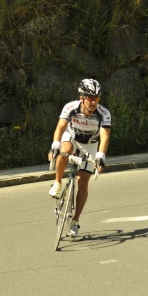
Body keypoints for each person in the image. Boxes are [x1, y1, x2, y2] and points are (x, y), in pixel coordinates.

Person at [47, 78, 111, 237]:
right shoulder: (70, 107)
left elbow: (104, 136)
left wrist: (100, 157)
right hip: (72, 138)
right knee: (65, 149)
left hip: (89, 144)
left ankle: (75, 221)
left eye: (97, 98)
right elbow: (60, 127)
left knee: (83, 183)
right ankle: (57, 182)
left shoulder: (103, 114)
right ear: (82, 97)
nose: (94, 101)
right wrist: (55, 145)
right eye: (91, 97)